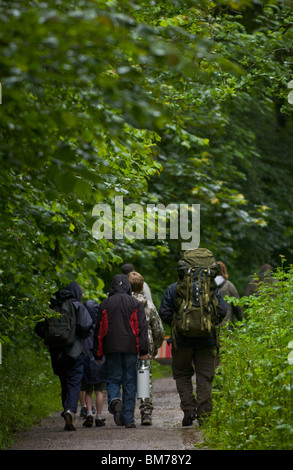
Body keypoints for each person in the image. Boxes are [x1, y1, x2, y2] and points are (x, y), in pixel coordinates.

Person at [159, 255, 227, 427]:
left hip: (181, 341)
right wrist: (210, 324)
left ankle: (189, 410)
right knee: (205, 376)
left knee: (182, 375)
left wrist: (178, 325)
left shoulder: (174, 288)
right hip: (206, 340)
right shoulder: (211, 288)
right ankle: (204, 415)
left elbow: (164, 312)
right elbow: (222, 310)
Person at [93, 274, 149, 428]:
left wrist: (98, 353)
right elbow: (141, 329)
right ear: (127, 287)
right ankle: (129, 418)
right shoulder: (135, 304)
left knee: (112, 379)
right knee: (130, 382)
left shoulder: (105, 304)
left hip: (111, 348)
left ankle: (115, 400)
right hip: (131, 348)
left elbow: (99, 331)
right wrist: (144, 350)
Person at [35, 281, 92, 431]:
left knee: (64, 382)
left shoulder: (51, 306)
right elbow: (86, 326)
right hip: (74, 351)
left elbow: (39, 328)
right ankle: (70, 410)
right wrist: (76, 336)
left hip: (56, 351)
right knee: (74, 382)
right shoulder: (77, 306)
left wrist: (53, 338)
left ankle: (67, 410)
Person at [127, 271, 165, 426]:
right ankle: (146, 413)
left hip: (127, 346)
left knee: (128, 378)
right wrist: (155, 346)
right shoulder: (148, 305)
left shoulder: (124, 304)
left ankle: (127, 413)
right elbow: (158, 330)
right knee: (144, 378)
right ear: (143, 286)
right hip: (145, 346)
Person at [81, 300, 106, 428]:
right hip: (100, 360)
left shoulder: (84, 328)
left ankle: (89, 412)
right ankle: (99, 416)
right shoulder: (101, 326)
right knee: (99, 390)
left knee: (88, 391)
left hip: (87, 361)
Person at [215, 261, 243, 328]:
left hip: (211, 328)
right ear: (224, 271)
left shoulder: (207, 286)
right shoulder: (229, 285)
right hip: (227, 327)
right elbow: (237, 306)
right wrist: (242, 322)